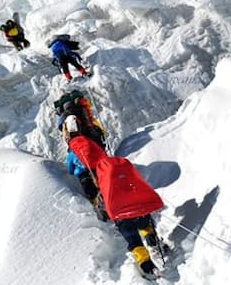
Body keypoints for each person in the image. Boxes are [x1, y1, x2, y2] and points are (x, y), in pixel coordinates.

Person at [64, 119, 166, 280]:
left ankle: (145, 262)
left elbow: (69, 169)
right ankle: (152, 237)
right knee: (145, 222)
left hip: (120, 215)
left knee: (133, 240)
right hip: (136, 206)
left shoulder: (72, 153)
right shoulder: (101, 159)